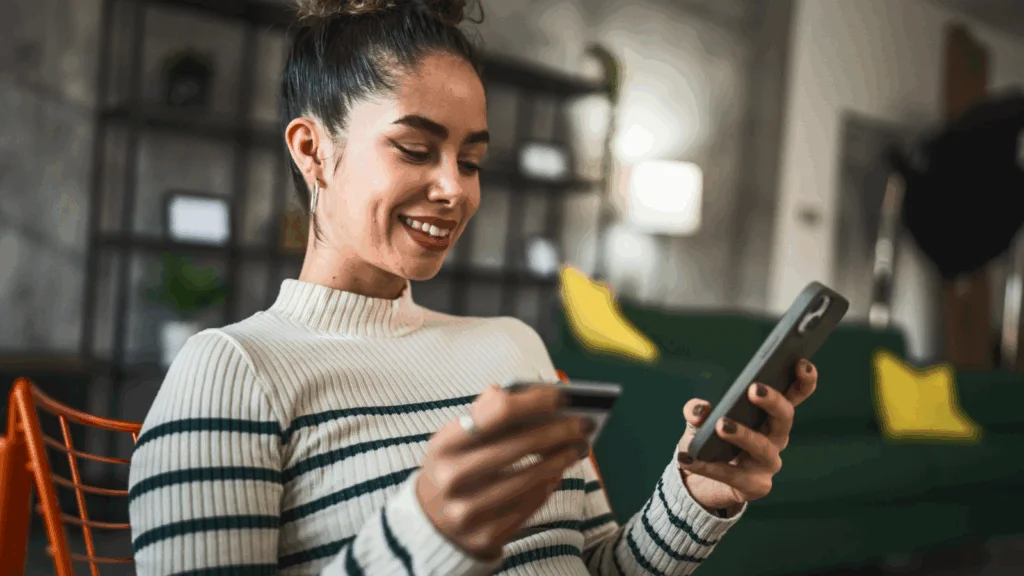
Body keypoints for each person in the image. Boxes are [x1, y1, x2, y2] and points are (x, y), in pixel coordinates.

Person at [128, 1, 819, 574]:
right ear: (312, 150)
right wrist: (423, 533)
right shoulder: (234, 371)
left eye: (472, 159)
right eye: (415, 148)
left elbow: (597, 566)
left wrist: (698, 493)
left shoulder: (515, 348)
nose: (454, 188)